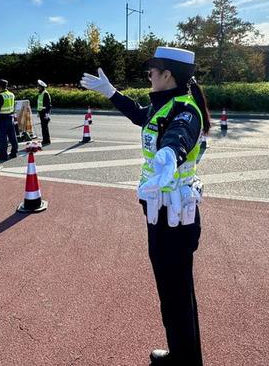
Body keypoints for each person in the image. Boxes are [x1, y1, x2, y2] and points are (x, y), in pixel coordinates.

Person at [81, 47, 210, 366]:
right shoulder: (164, 106)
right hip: (163, 212)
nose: (149, 75)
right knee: (174, 291)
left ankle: (184, 360)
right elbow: (141, 115)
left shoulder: (185, 110)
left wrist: (169, 155)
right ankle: (185, 356)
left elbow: (179, 136)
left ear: (168, 75)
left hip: (174, 216)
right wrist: (111, 93)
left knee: (175, 292)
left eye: (153, 70)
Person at [0, 79, 18, 161]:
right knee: (12, 137)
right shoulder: (11, 94)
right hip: (10, 118)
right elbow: (13, 107)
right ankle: (14, 153)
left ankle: (3, 156)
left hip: (2, 120)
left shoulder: (0, 96)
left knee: (2, 138)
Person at [36, 79, 52, 145]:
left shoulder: (45, 93)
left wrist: (47, 114)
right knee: (43, 127)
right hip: (41, 112)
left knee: (44, 127)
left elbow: (49, 105)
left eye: (39, 86)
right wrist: (38, 112)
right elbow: (39, 104)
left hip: (44, 112)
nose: (38, 87)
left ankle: (47, 140)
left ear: (42, 87)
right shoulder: (41, 93)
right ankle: (45, 140)